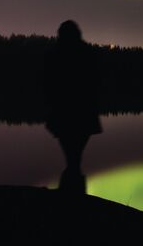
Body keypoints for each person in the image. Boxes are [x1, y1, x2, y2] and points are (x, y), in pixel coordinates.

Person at [43, 20, 102, 194]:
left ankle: (70, 192)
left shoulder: (57, 54)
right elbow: (95, 83)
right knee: (74, 157)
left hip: (64, 114)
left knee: (72, 157)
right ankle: (74, 191)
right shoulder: (86, 53)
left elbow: (49, 84)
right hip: (83, 115)